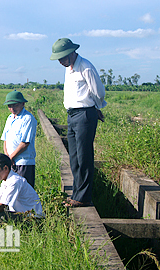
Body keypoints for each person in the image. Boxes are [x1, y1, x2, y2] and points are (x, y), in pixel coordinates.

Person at [50, 38, 107, 207]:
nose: (60, 62)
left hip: (85, 114)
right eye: (58, 59)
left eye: (62, 58)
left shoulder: (86, 67)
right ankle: (77, 193)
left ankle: (83, 198)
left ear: (71, 53)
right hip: (72, 115)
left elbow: (99, 91)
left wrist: (96, 107)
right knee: (74, 158)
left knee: (84, 156)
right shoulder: (69, 69)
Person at [1, 90, 37, 188]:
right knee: (12, 191)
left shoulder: (28, 119)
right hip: (11, 162)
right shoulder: (10, 118)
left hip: (23, 162)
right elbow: (5, 139)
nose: (12, 108)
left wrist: (11, 157)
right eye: (9, 106)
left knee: (24, 192)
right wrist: (7, 156)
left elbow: (25, 143)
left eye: (15, 105)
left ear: (22, 104)